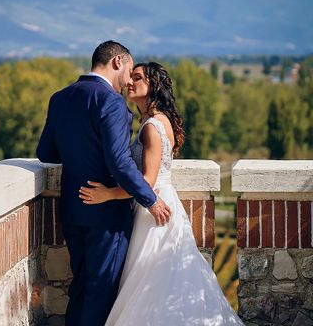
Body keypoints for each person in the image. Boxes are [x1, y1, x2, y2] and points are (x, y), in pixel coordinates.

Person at [79, 62, 244, 325]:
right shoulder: (156, 121)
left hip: (153, 209)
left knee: (150, 278)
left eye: (138, 78)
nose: (130, 82)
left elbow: (146, 181)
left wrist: (108, 194)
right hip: (164, 202)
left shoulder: (151, 127)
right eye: (130, 77)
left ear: (153, 85)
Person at [36, 41, 171, 326]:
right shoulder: (111, 102)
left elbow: (46, 153)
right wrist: (151, 199)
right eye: (130, 71)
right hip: (106, 217)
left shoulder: (59, 97)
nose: (128, 80)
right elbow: (119, 162)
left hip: (72, 208)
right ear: (118, 62)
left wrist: (80, 150)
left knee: (81, 286)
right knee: (101, 290)